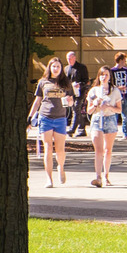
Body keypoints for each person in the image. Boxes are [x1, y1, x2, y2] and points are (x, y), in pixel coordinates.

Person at [27, 57, 75, 187]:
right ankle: (49, 178)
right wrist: (30, 117)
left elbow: (71, 102)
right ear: (49, 68)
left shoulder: (66, 83)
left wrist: (69, 100)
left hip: (60, 118)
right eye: (53, 66)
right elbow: (37, 101)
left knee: (60, 150)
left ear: (61, 68)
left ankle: (60, 167)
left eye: (58, 66)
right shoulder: (43, 82)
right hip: (45, 117)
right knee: (47, 148)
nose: (56, 69)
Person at [87, 66, 122, 187]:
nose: (104, 77)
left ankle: (106, 176)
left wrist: (109, 107)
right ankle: (98, 177)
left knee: (108, 150)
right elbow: (89, 111)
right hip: (97, 119)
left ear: (110, 77)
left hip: (110, 118)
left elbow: (119, 109)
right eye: (102, 75)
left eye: (106, 74)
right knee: (99, 150)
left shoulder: (115, 91)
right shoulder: (93, 91)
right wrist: (95, 104)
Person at [65, 51, 90, 138]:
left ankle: (72, 129)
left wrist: (80, 84)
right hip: (71, 93)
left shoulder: (82, 68)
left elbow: (86, 80)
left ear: (74, 58)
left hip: (80, 92)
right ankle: (82, 129)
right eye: (68, 58)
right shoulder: (66, 69)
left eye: (71, 58)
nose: (69, 60)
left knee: (76, 109)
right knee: (76, 110)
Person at [111, 52, 127, 140]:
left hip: (125, 95)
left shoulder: (126, 70)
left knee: (125, 116)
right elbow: (111, 84)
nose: (125, 62)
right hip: (116, 96)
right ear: (119, 60)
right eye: (123, 60)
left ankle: (125, 134)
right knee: (114, 116)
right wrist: (118, 88)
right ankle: (113, 133)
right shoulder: (112, 71)